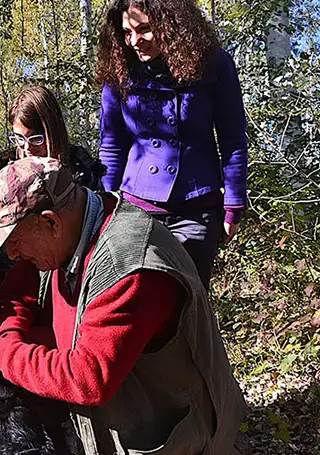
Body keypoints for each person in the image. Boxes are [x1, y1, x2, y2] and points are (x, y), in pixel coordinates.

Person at [0, 157, 249, 455]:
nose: (12, 255)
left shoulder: (129, 269)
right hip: (127, 416)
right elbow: (18, 290)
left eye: (15, 242)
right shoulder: (74, 229)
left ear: (50, 222)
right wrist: (7, 339)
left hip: (172, 451)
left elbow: (88, 379)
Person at [95, 0, 249, 288]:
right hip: (135, 212)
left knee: (190, 309)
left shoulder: (214, 64)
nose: (134, 42)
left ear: (171, 25)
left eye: (144, 30)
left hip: (197, 209)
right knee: (139, 303)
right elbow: (112, 146)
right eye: (127, 33)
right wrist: (105, 206)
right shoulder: (119, 72)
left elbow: (233, 140)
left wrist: (233, 206)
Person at [0, 85, 103, 281]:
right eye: (19, 139)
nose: (27, 147)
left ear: (52, 132)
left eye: (36, 139)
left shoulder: (81, 170)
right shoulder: (6, 176)